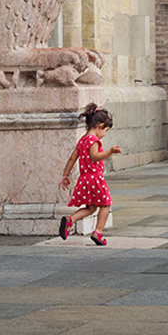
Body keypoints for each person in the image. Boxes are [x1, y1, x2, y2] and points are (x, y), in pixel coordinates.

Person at [59, 103, 121, 246]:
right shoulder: (94, 141)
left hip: (84, 179)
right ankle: (98, 232)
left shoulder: (82, 141)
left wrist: (65, 175)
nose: (104, 134)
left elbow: (72, 158)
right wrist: (110, 151)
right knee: (105, 205)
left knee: (91, 207)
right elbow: (94, 157)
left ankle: (70, 220)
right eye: (105, 130)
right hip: (95, 178)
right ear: (100, 126)